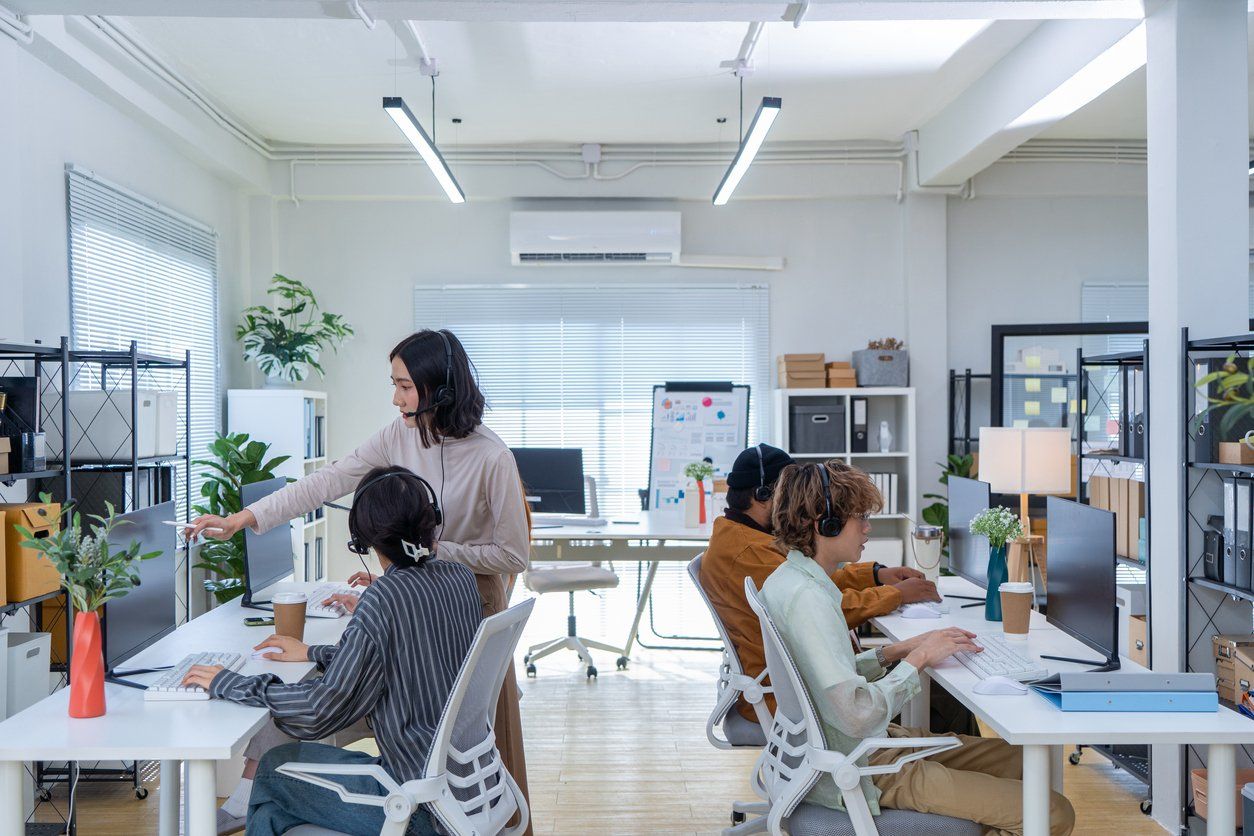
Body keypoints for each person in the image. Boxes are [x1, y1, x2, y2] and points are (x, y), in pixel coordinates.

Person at [188, 329, 532, 834]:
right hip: (422, 600)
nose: (396, 398)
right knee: (394, 722)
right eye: (394, 384)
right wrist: (246, 517)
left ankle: (263, 796)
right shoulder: (398, 435)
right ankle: (253, 794)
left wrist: (428, 553)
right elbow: (328, 480)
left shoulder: (491, 457)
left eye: (406, 386)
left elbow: (512, 553)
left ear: (440, 387)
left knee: (456, 745)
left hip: (469, 605)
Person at [760, 460, 1075, 835]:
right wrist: (920, 658)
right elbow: (857, 712)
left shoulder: (790, 580)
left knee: (1024, 761)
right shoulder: (809, 600)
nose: (867, 527)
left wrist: (897, 651)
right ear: (822, 522)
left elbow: (822, 678)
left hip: (862, 746)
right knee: (1054, 812)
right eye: (858, 517)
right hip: (866, 766)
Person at [182, 466, 483, 835]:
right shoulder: (460, 578)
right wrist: (313, 653)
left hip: (416, 804)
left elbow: (321, 711)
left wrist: (231, 683)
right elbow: (396, 655)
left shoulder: (384, 597)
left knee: (274, 766)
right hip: (469, 791)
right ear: (430, 520)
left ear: (362, 538)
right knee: (270, 816)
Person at [699, 443, 938, 740]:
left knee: (933, 677)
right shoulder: (751, 553)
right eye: (788, 493)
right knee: (939, 693)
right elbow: (827, 604)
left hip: (808, 684)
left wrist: (875, 575)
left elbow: (815, 576)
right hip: (797, 701)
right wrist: (897, 595)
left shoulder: (746, 537)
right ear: (762, 496)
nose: (797, 502)